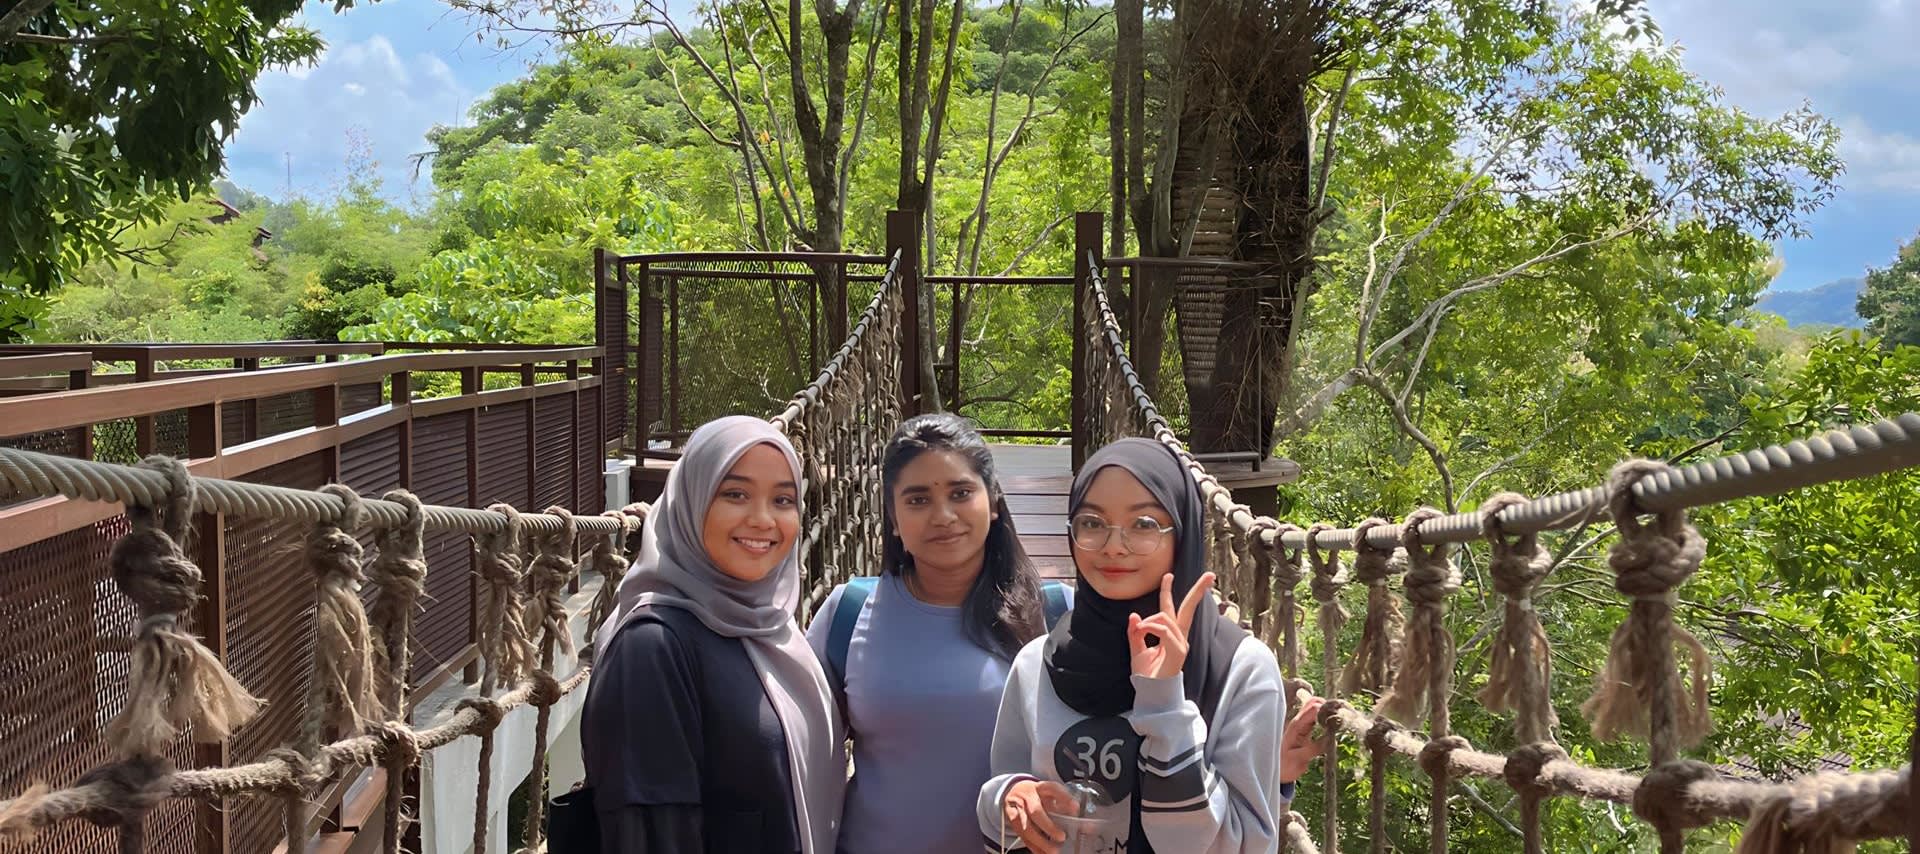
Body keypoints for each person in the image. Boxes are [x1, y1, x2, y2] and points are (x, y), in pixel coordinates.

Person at [977, 438, 1322, 854]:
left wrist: (1164, 706)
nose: (1113, 545)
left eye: (1144, 524)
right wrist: (1009, 797)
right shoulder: (1037, 664)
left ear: (1183, 532)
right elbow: (1005, 798)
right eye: (1092, 523)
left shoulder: (1242, 671)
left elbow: (1244, 846)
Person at [807, 413, 1070, 854]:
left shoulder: (1058, 615)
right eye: (917, 500)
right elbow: (800, 758)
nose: (943, 516)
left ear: (994, 501)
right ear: (893, 518)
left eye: (961, 493)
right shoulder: (847, 613)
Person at [582, 415, 844, 854]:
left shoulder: (774, 628)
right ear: (692, 500)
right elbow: (650, 835)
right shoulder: (651, 647)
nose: (762, 519)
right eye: (735, 494)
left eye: (783, 499)